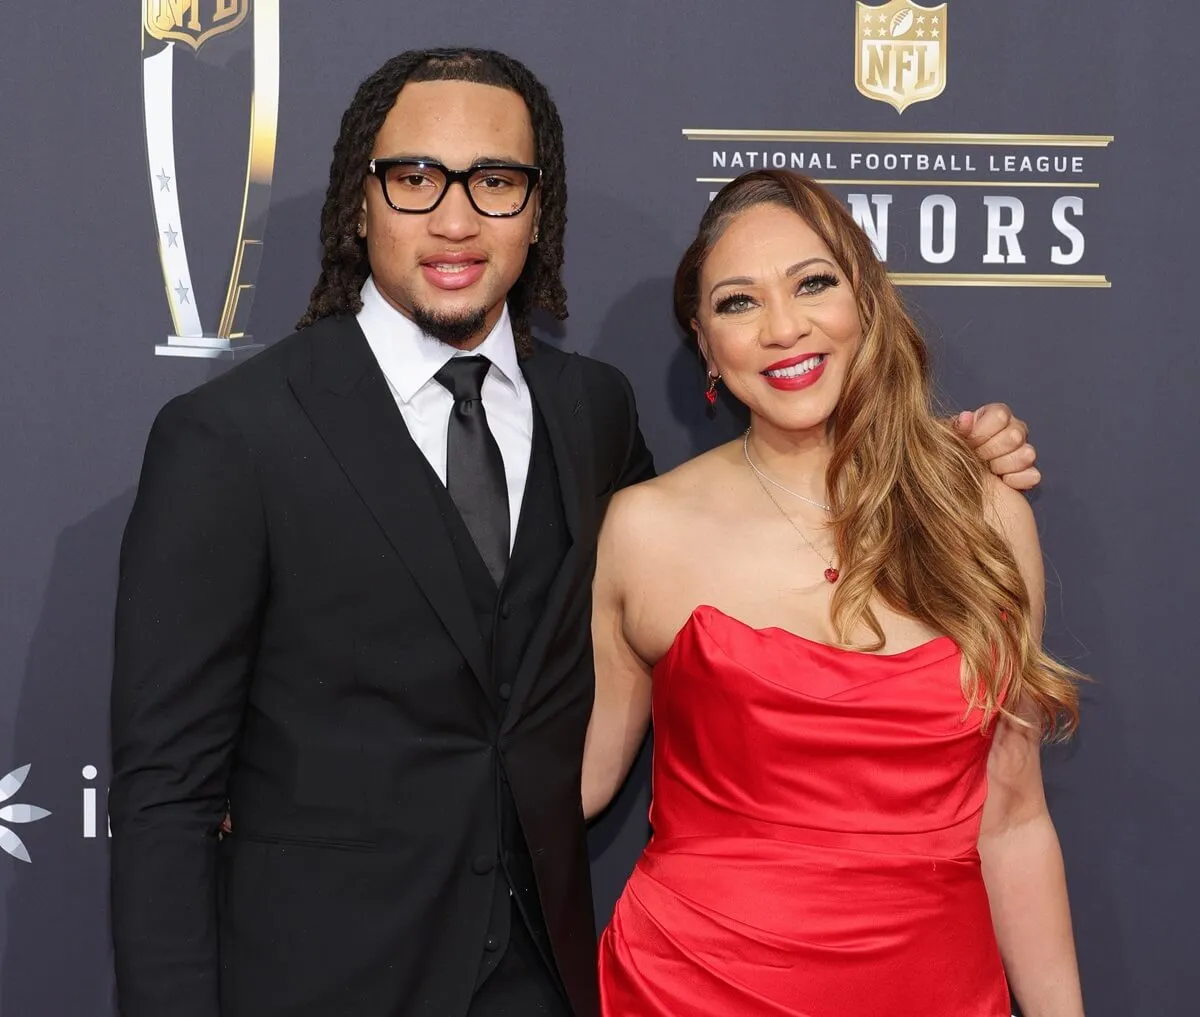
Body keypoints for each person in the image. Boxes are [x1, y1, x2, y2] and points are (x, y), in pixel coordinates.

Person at [109, 46, 1042, 1017]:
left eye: (497, 181)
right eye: (417, 177)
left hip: (545, 982)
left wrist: (935, 460)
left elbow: (728, 564)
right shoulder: (231, 436)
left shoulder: (592, 414)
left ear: (537, 211)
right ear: (361, 201)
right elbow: (165, 798)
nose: (457, 216)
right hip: (320, 984)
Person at [586, 170, 1085, 1017]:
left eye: (813, 283)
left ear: (868, 301)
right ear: (706, 347)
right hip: (691, 991)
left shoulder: (985, 515)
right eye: (739, 304)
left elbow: (1012, 820)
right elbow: (569, 784)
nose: (785, 328)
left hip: (938, 993)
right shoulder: (645, 528)